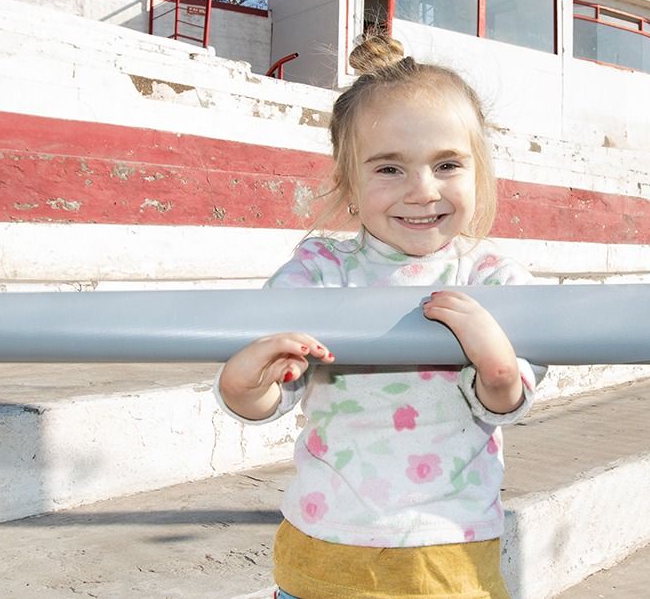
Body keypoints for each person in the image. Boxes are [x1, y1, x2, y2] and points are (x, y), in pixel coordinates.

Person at [214, 33, 543, 599]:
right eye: (389, 168)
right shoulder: (318, 271)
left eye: (446, 164)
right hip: (323, 548)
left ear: (478, 172)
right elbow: (278, 389)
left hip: (447, 556)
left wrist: (499, 372)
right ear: (350, 187)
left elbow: (508, 398)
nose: (422, 190)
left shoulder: (491, 277)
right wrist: (243, 390)